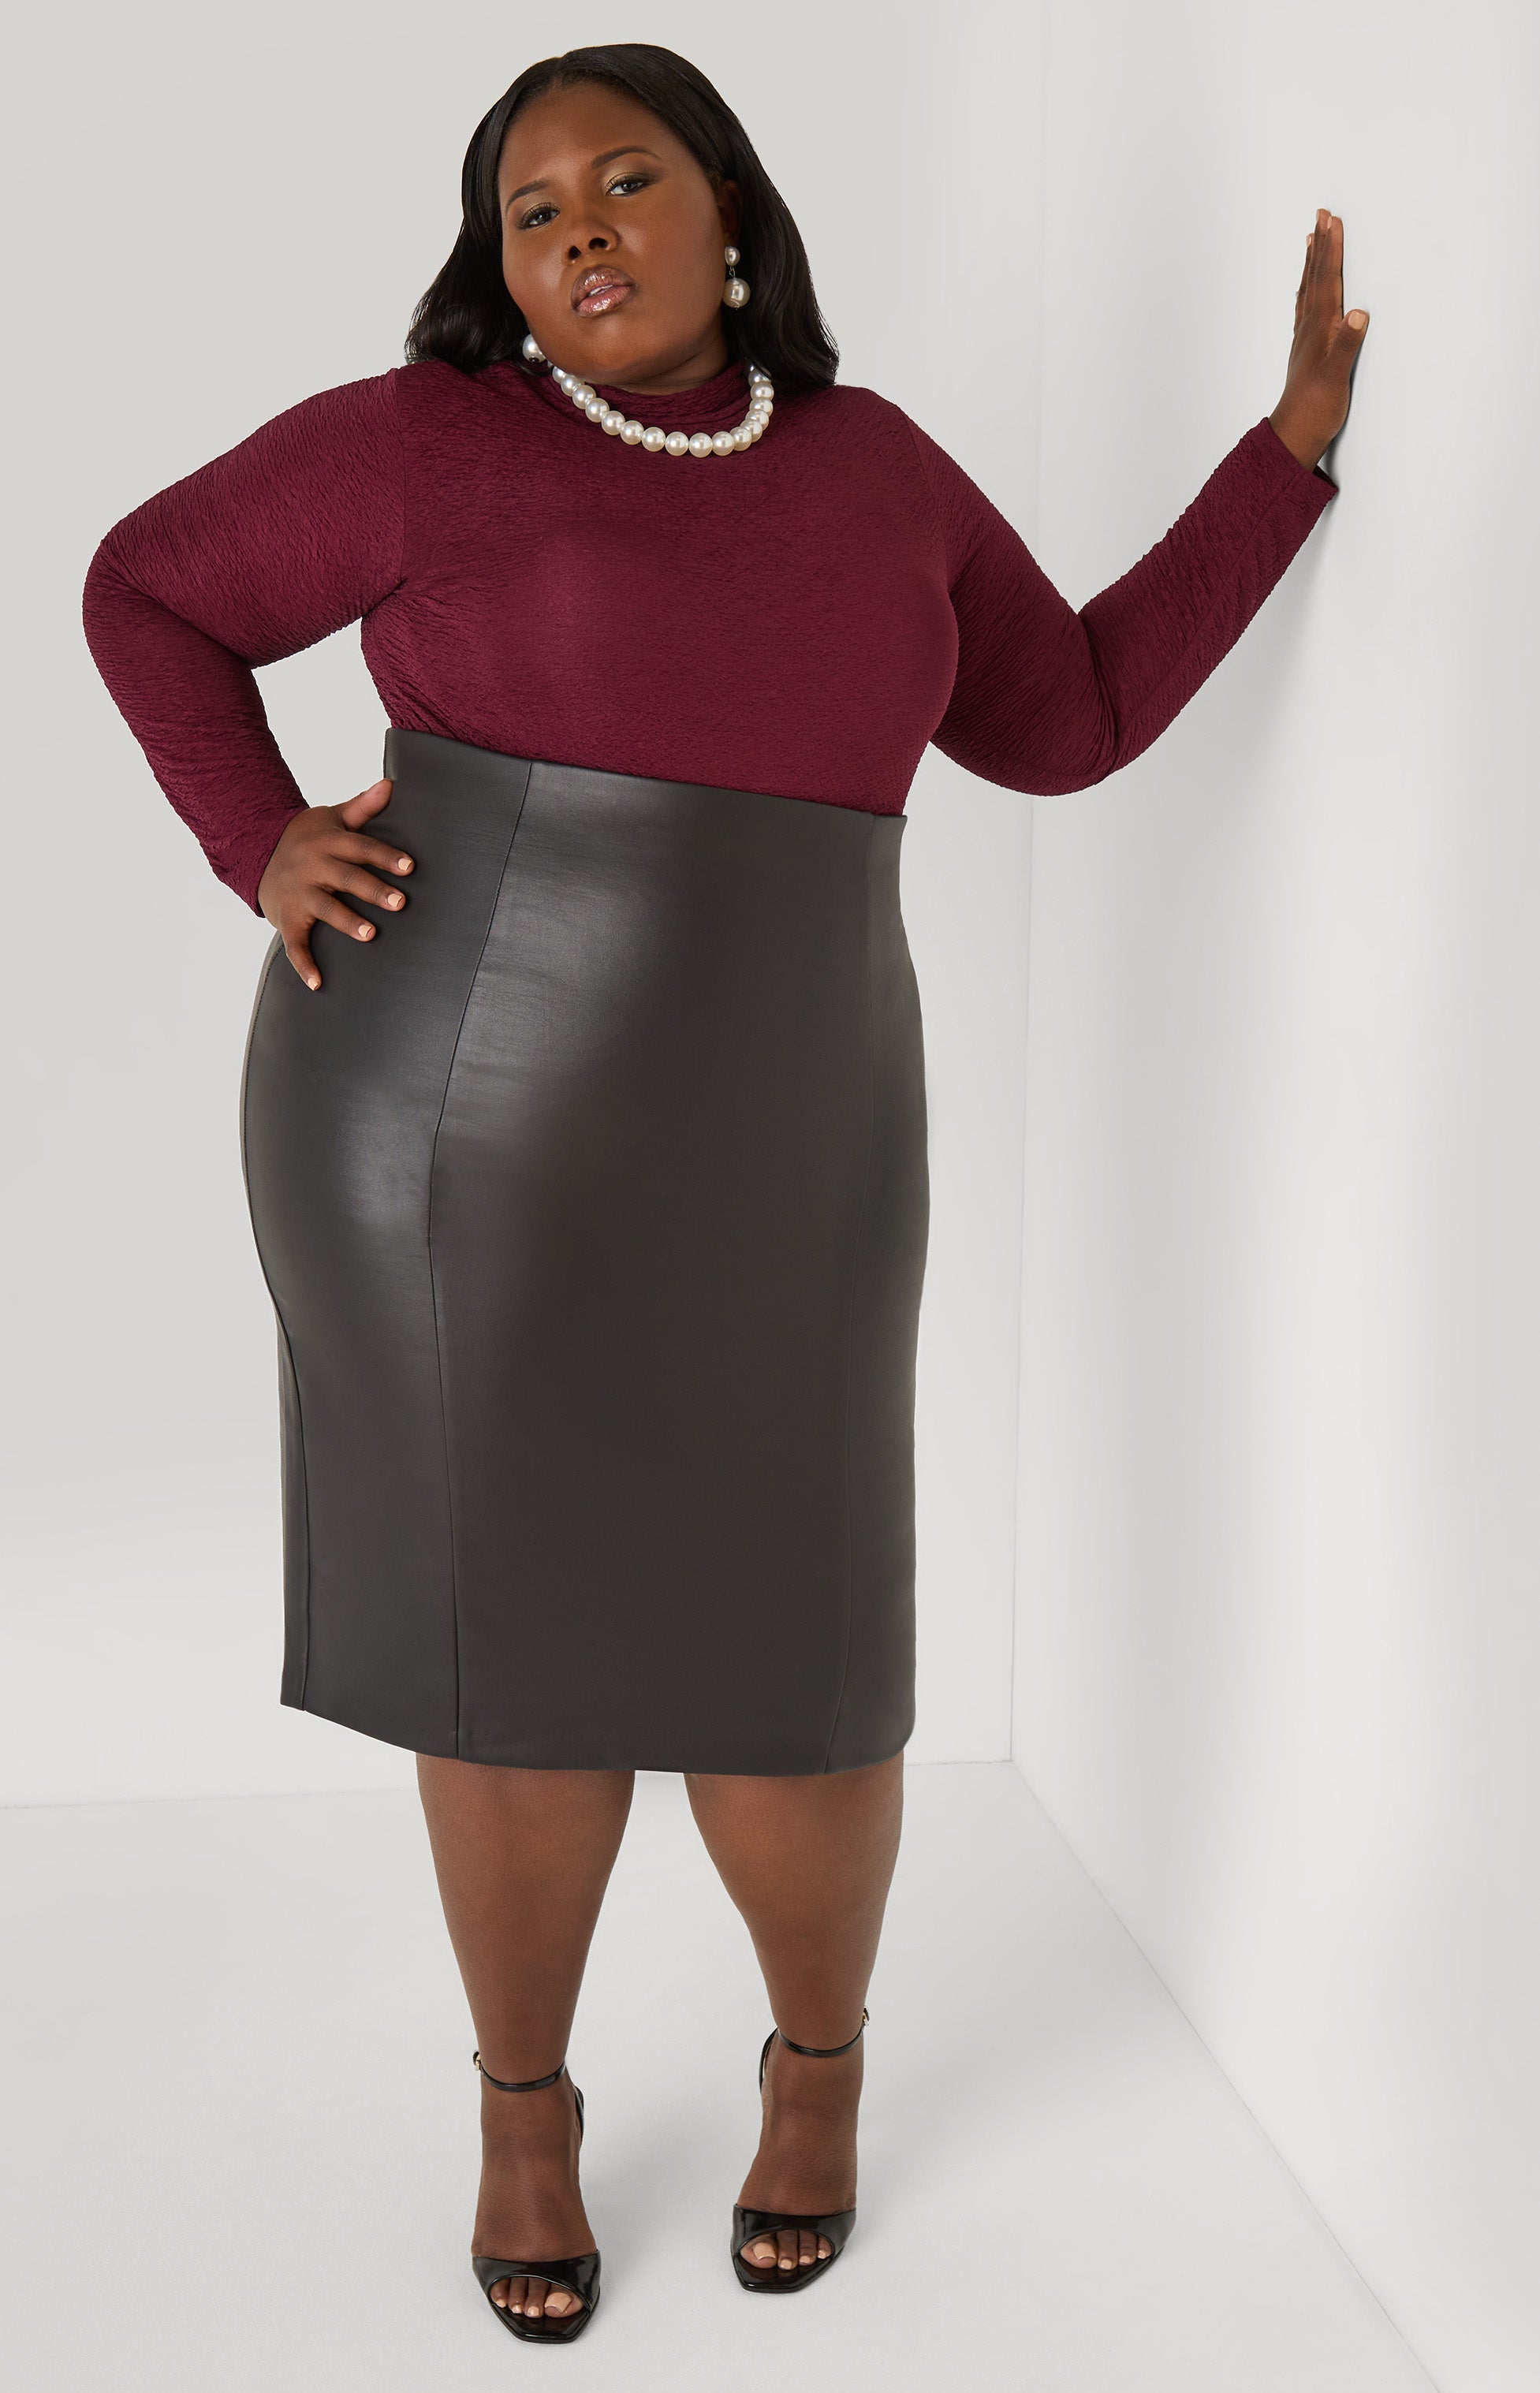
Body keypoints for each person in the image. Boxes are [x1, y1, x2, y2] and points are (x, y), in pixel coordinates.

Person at [80, 40, 1367, 2343]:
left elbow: (1066, 716)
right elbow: (146, 590)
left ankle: (816, 2066)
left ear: (734, 214)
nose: (577, 227)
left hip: (796, 1133)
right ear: (499, 272)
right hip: (448, 1132)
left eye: (624, 177)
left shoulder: (876, 472)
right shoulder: (427, 442)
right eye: (529, 209)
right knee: (507, 1656)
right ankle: (523, 2113)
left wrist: (1282, 463)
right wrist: (253, 836)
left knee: (805, 1652)